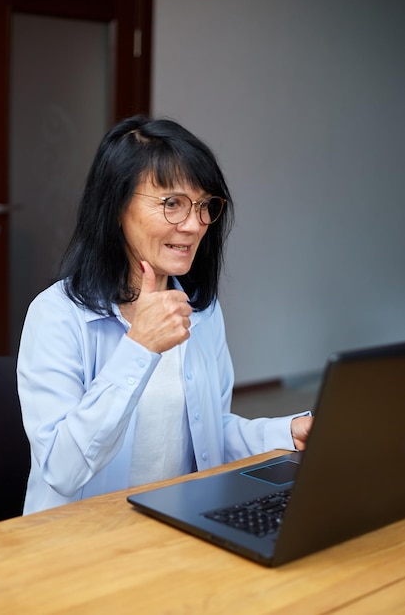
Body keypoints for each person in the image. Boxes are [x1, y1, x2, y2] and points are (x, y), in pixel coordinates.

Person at [17, 115, 313, 514]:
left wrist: (285, 432)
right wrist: (139, 347)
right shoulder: (56, 315)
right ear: (116, 206)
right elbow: (61, 470)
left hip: (176, 526)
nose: (193, 225)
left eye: (205, 205)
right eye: (172, 204)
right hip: (79, 542)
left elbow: (209, 433)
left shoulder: (201, 311)